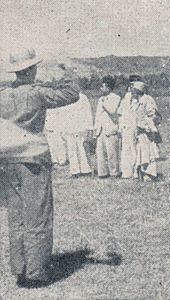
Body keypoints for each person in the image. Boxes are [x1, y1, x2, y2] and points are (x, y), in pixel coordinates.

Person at [0, 48, 80, 288]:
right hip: (33, 159)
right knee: (38, 214)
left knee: (17, 216)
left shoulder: (3, 94)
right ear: (32, 69)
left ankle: (20, 268)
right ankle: (36, 273)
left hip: (7, 160)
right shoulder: (36, 94)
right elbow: (72, 93)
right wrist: (66, 70)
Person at [132, 81, 162, 181]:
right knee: (141, 152)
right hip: (139, 132)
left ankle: (149, 174)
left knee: (149, 152)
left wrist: (145, 126)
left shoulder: (147, 100)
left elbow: (152, 115)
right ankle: (141, 172)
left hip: (147, 132)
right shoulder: (136, 101)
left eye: (134, 91)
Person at [94, 75, 121, 178]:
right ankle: (103, 173)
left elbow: (112, 110)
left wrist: (104, 102)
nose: (101, 89)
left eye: (103, 86)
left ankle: (114, 172)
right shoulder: (100, 99)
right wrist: (95, 128)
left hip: (110, 128)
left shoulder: (116, 97)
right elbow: (97, 114)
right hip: (100, 130)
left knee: (112, 153)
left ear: (108, 87)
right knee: (100, 153)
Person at [64, 92, 93, 177]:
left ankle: (86, 170)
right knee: (71, 150)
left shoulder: (83, 97)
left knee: (82, 149)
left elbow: (88, 113)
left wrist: (90, 128)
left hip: (81, 127)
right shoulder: (66, 97)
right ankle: (75, 171)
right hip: (70, 128)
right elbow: (63, 113)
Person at [118, 74, 142, 178]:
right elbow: (120, 113)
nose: (132, 87)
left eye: (135, 85)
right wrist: (120, 127)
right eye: (131, 85)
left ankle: (137, 171)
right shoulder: (126, 98)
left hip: (137, 127)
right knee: (126, 149)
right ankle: (127, 172)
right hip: (126, 127)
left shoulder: (142, 99)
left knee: (136, 149)